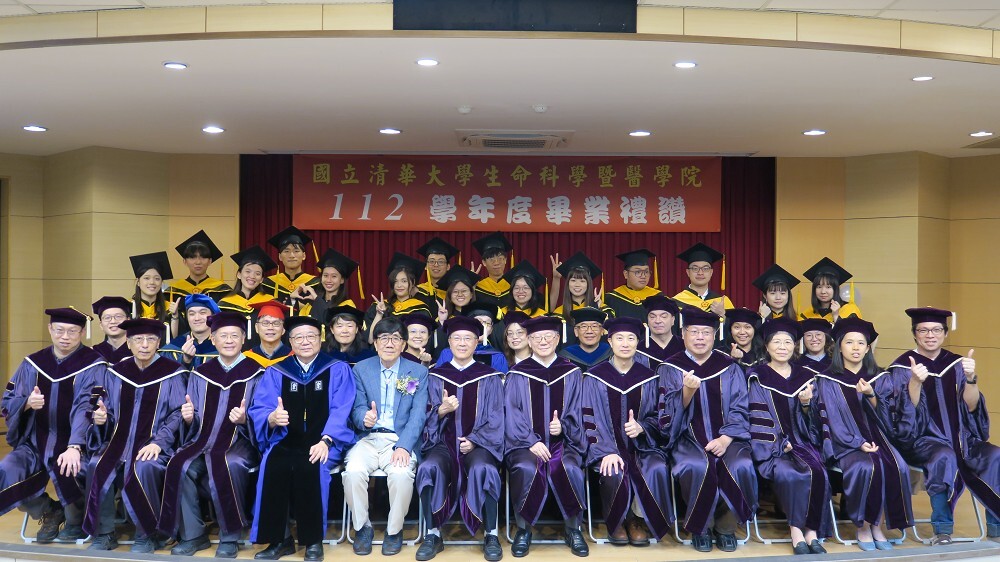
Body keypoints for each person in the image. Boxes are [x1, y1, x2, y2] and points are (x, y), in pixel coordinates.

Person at [878, 307, 1000, 543]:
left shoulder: (957, 364)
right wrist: (915, 382)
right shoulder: (902, 368)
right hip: (923, 441)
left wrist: (971, 379)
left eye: (936, 330)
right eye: (923, 330)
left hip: (963, 439)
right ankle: (942, 528)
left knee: (995, 455)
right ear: (915, 334)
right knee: (943, 457)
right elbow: (903, 418)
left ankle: (997, 525)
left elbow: (972, 407)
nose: (930, 335)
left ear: (945, 333)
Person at [155, 311, 264, 558]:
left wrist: (245, 419)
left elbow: (263, 414)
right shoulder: (201, 373)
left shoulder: (256, 373)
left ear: (243, 339)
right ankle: (193, 535)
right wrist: (189, 418)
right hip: (202, 440)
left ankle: (230, 536)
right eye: (223, 336)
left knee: (230, 463)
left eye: (234, 336)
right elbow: (192, 411)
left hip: (240, 441)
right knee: (178, 464)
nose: (229, 341)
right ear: (213, 340)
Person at [248, 315, 355, 562]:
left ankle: (313, 541)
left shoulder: (337, 369)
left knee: (311, 467)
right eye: (298, 337)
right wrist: (272, 418)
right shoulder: (277, 371)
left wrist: (326, 440)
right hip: (286, 439)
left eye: (310, 336)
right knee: (273, 465)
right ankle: (279, 540)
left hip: (324, 440)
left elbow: (342, 409)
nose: (305, 342)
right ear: (290, 341)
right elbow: (261, 407)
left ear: (320, 339)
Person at [0, 308, 105, 543]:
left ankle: (75, 521)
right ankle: (49, 510)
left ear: (82, 333)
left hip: (77, 444)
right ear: (50, 329)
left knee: (70, 467)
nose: (65, 337)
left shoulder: (93, 365)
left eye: (72, 331)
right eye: (59, 330)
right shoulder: (33, 363)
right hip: (35, 442)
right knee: (7, 470)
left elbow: (87, 407)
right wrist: (26, 403)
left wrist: (75, 446)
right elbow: (7, 402)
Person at [82, 318, 187, 552]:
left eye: (150, 339)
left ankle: (146, 533)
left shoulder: (172, 372)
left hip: (153, 444)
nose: (144, 345)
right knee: (96, 464)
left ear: (158, 343)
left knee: (145, 467)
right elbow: (106, 409)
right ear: (128, 343)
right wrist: (101, 419)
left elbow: (178, 413)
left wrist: (159, 442)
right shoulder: (116, 373)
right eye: (138, 339)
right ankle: (104, 533)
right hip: (118, 442)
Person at [660, 307, 757, 552]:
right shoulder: (670, 367)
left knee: (740, 465)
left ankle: (725, 527)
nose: (700, 337)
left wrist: (725, 439)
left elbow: (740, 406)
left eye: (706, 332)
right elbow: (665, 413)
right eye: (694, 332)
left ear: (715, 336)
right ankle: (701, 527)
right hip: (687, 438)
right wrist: (687, 392)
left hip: (729, 437)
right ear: (683, 334)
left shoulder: (729, 367)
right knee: (694, 466)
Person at [813, 317, 913, 551]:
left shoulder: (880, 377)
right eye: (849, 342)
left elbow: (888, 418)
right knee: (866, 466)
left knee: (898, 466)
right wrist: (857, 443)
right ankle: (863, 527)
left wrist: (871, 395)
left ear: (868, 348)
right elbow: (831, 420)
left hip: (879, 438)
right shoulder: (827, 380)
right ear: (839, 347)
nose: (855, 348)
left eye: (861, 343)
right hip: (844, 443)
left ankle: (878, 525)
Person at [414, 316, 505, 562]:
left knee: (485, 468)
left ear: (477, 342)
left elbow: (497, 416)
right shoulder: (434, 375)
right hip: (442, 443)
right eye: (456, 338)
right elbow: (422, 414)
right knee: (427, 467)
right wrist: (440, 411)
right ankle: (433, 534)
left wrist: (475, 440)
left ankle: (491, 534)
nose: (462, 343)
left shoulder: (490, 377)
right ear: (449, 342)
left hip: (479, 445)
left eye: (468, 338)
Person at [582, 316, 674, 546]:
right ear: (610, 342)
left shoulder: (650, 377)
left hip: (642, 447)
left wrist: (642, 426)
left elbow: (661, 416)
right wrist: (606, 450)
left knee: (655, 467)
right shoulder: (594, 377)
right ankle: (617, 521)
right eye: (619, 338)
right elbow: (588, 419)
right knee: (613, 470)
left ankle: (637, 520)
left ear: (637, 343)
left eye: (631, 338)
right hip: (607, 447)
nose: (625, 343)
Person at [505, 316, 589, 557]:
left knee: (570, 467)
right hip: (525, 445)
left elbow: (579, 409)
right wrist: (531, 441)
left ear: (558, 339)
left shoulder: (572, 372)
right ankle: (524, 530)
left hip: (564, 443)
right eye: (537, 338)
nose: (543, 341)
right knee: (525, 467)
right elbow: (511, 411)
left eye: (548, 337)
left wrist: (563, 427)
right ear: (529, 341)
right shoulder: (517, 373)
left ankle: (573, 529)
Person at [344, 317, 429, 556]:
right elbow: (357, 407)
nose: (389, 343)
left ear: (404, 344)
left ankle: (394, 530)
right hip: (368, 438)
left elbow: (418, 415)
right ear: (375, 343)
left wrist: (404, 446)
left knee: (401, 475)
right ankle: (363, 528)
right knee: (353, 472)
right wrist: (364, 418)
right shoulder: (361, 369)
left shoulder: (418, 372)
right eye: (383, 338)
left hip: (399, 439)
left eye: (395, 338)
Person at [746, 318, 830, 554]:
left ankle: (811, 531)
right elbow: (756, 416)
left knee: (819, 472)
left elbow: (817, 420)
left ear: (795, 346)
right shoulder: (757, 376)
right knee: (790, 474)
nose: (782, 347)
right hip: (773, 448)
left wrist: (805, 404)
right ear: (767, 346)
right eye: (776, 342)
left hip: (803, 443)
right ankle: (796, 530)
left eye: (787, 342)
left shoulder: (806, 376)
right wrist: (780, 444)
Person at [364, 252, 431, 343]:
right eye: (395, 281)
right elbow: (370, 340)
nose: (399, 285)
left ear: (413, 283)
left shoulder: (420, 310)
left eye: (404, 281)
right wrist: (379, 314)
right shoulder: (379, 307)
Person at [434, 303, 509, 374]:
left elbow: (500, 382)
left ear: (491, 330)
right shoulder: (448, 353)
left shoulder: (496, 357)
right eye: (478, 321)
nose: (483, 326)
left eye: (487, 323)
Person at [261, 226, 322, 306]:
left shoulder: (316, 284)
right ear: (280, 257)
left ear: (304, 256)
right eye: (286, 251)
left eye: (296, 251)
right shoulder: (268, 285)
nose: (291, 255)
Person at [168, 229, 232, 306]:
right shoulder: (173, 292)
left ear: (210, 261)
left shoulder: (222, 291)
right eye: (192, 257)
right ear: (184, 261)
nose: (198, 262)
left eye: (203, 257)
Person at [672, 243, 734, 318]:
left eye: (705, 269)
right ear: (688, 272)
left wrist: (723, 314)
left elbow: (734, 325)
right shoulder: (675, 303)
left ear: (711, 272)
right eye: (695, 268)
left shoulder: (722, 302)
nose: (700, 273)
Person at [160, 294, 221, 369]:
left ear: (212, 316)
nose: (197, 318)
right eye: (192, 314)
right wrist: (185, 361)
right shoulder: (174, 348)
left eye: (202, 313)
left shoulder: (223, 346)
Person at [219, 245, 279, 316]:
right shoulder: (225, 304)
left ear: (261, 279)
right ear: (239, 274)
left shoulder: (269, 302)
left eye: (257, 273)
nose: (252, 276)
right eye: (248, 271)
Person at [605, 249, 662, 321]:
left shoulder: (658, 298)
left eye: (646, 272)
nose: (643, 276)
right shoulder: (612, 298)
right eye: (638, 272)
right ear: (626, 274)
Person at [798, 257, 862, 322]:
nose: (823, 291)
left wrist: (836, 316)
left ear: (835, 289)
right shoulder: (806, 315)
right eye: (819, 287)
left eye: (828, 287)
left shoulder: (850, 310)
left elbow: (852, 328)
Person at [307, 248, 360, 323]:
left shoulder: (347, 306)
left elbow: (330, 322)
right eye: (325, 275)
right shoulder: (311, 304)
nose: (328, 280)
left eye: (334, 276)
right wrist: (292, 300)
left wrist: (317, 299)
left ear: (342, 280)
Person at [634, 295, 684, 371]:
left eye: (663, 316)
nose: (657, 321)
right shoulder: (639, 350)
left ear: (673, 320)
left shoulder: (684, 347)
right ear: (647, 320)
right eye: (652, 317)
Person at [557, 307, 611, 371]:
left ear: (602, 331)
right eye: (584, 326)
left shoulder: (611, 355)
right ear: (576, 331)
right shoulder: (564, 358)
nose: (589, 331)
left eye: (594, 326)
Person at [244, 300, 293, 368]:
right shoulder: (246, 358)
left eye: (276, 323)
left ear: (283, 329)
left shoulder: (293, 358)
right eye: (265, 323)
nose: (270, 327)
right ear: (256, 328)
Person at [471, 231, 513, 309]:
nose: (496, 263)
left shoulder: (513, 286)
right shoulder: (478, 287)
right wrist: (471, 288)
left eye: (500, 258)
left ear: (505, 260)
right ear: (484, 262)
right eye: (491, 259)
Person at [129, 251, 173, 321]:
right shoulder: (128, 308)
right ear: (138, 282)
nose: (152, 282)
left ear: (161, 282)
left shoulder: (170, 310)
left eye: (157, 278)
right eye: (146, 278)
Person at [416, 236, 459, 303]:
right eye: (432, 261)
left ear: (448, 266)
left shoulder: (455, 292)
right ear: (425, 266)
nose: (436, 265)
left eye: (441, 262)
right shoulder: (418, 292)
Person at [92, 296, 132, 364]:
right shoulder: (93, 353)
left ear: (128, 321)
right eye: (107, 317)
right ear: (101, 325)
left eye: (118, 316)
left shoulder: (139, 351)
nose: (113, 321)